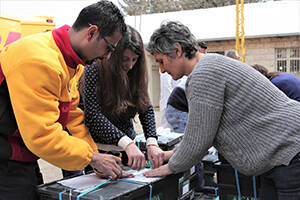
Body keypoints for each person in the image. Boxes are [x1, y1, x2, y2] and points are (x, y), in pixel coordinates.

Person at [144, 21, 300, 200]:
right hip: (283, 157)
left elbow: (198, 142)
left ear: (177, 50)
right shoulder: (211, 65)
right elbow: (201, 133)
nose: (162, 70)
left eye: (161, 62)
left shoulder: (204, 75)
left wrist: (169, 168)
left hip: (291, 154)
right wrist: (169, 155)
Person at [0, 1, 127, 199]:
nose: (107, 57)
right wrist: (92, 158)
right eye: (108, 48)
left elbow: (73, 116)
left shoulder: (70, 62)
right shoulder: (40, 60)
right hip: (6, 155)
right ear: (91, 33)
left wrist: (97, 158)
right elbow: (42, 135)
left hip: (20, 152)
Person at [81, 25, 164, 171]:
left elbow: (145, 107)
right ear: (113, 54)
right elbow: (93, 116)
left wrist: (152, 142)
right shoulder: (94, 68)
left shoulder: (135, 73)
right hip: (99, 151)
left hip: (126, 149)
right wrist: (127, 143)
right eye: (125, 59)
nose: (130, 65)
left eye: (134, 59)